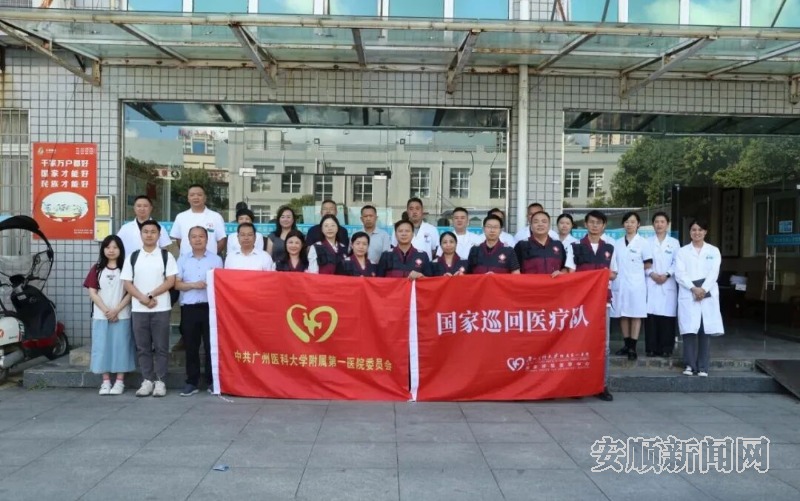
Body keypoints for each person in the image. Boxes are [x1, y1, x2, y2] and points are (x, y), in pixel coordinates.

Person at [121, 221, 178, 398]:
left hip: (161, 308)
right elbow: (127, 283)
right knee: (142, 347)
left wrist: (151, 295)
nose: (149, 235)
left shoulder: (166, 256)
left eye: (153, 232)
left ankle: (160, 381)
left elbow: (171, 281)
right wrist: (142, 298)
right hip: (139, 309)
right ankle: (147, 380)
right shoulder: (133, 257)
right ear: (141, 235)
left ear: (159, 235)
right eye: (145, 231)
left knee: (161, 347)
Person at [571, 210, 617, 402]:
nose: (595, 225)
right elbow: (570, 273)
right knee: (579, 343)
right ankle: (577, 385)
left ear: (604, 226)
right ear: (586, 224)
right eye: (591, 222)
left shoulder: (610, 248)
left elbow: (613, 274)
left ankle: (601, 385)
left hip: (603, 302)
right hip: (581, 303)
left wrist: (601, 276)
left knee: (603, 346)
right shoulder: (575, 247)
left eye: (599, 223)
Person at [83, 235, 135, 396]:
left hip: (122, 316)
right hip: (101, 316)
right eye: (107, 247)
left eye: (115, 247)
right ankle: (105, 381)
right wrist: (107, 311)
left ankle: (119, 381)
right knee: (102, 347)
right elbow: (92, 292)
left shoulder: (126, 268)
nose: (111, 250)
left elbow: (130, 292)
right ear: (103, 249)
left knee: (121, 347)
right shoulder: (97, 269)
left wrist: (116, 310)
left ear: (120, 250)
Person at [175, 226, 223, 396]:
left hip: (210, 308)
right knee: (191, 346)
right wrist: (194, 285)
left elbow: (221, 283)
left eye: (201, 236)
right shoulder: (182, 260)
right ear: (188, 240)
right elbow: (176, 284)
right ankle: (192, 382)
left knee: (211, 346)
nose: (197, 239)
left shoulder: (216, 260)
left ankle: (212, 381)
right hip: (189, 308)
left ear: (207, 239)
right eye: (194, 237)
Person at [675, 219, 724, 377]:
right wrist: (693, 288)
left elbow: (714, 272)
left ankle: (703, 367)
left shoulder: (713, 251)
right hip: (689, 292)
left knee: (704, 329)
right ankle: (689, 365)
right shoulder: (682, 251)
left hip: (707, 293)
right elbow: (680, 273)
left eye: (700, 230)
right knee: (689, 330)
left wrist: (703, 289)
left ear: (705, 232)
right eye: (694, 230)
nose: (697, 233)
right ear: (690, 232)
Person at [610, 212, 653, 361]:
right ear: (623, 224)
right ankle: (626, 344)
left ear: (638, 224)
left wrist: (634, 271)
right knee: (622, 314)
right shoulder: (617, 243)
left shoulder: (643, 243)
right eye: (627, 222)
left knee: (635, 314)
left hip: (636, 284)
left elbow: (648, 263)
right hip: (620, 283)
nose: (629, 224)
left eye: (633, 222)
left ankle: (633, 347)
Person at [645, 212, 680, 358]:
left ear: (667, 224)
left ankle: (667, 348)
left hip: (668, 282)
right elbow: (644, 262)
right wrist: (652, 274)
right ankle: (651, 348)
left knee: (667, 317)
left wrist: (667, 274)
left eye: (662, 222)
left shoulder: (674, 243)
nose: (659, 224)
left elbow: (677, 262)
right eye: (656, 222)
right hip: (651, 281)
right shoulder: (647, 242)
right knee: (651, 317)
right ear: (653, 224)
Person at [170, 184, 226, 256]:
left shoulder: (216, 217)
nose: (196, 197)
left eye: (199, 195)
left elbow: (222, 240)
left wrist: (211, 256)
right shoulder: (180, 217)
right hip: (187, 259)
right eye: (192, 195)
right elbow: (179, 239)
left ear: (205, 198)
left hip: (210, 260)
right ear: (188, 198)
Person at [514, 211, 571, 276]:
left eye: (544, 222)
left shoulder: (558, 244)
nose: (540, 224)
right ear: (531, 226)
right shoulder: (521, 245)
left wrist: (562, 273)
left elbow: (565, 267)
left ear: (549, 226)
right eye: (536, 222)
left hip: (554, 282)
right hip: (530, 282)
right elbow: (514, 270)